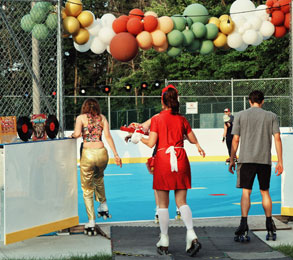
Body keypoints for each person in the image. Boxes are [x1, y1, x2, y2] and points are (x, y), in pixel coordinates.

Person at [132, 85, 205, 256]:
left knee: (163, 204)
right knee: (182, 201)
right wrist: (198, 146)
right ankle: (191, 233)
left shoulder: (158, 119)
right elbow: (192, 137)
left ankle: (164, 239)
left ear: (163, 100)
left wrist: (138, 137)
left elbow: (151, 143)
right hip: (180, 158)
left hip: (164, 160)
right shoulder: (181, 119)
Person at [228, 90, 283, 242]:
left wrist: (232, 159)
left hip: (246, 159)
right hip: (264, 160)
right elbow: (277, 139)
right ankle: (269, 225)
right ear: (263, 101)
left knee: (246, 192)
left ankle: (244, 224)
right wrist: (280, 161)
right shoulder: (271, 116)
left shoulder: (240, 115)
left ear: (249, 101)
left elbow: (235, 140)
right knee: (265, 192)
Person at [71, 98, 122, 235]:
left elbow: (76, 134)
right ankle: (103, 205)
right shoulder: (102, 118)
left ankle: (91, 220)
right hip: (102, 153)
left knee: (87, 188)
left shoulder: (81, 118)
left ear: (84, 107)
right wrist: (116, 155)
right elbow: (108, 137)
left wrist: (71, 136)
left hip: (88, 154)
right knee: (99, 178)